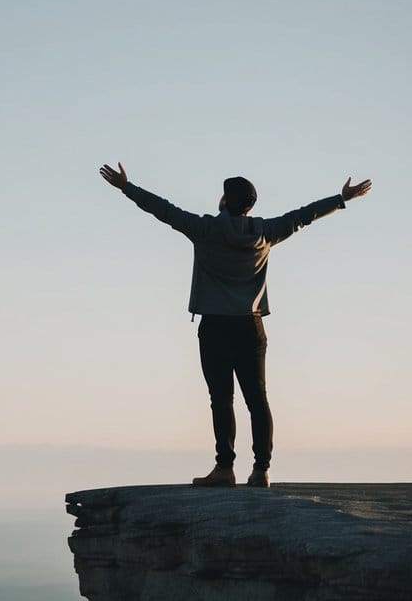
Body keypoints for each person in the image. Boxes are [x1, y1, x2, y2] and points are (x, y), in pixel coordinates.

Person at [98, 162, 372, 488]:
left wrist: (126, 187)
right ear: (250, 206)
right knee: (257, 400)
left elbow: (163, 210)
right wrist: (341, 199)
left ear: (225, 201)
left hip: (215, 326)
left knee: (221, 399)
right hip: (250, 327)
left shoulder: (205, 229)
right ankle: (261, 470)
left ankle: (225, 469)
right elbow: (303, 216)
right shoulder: (265, 232)